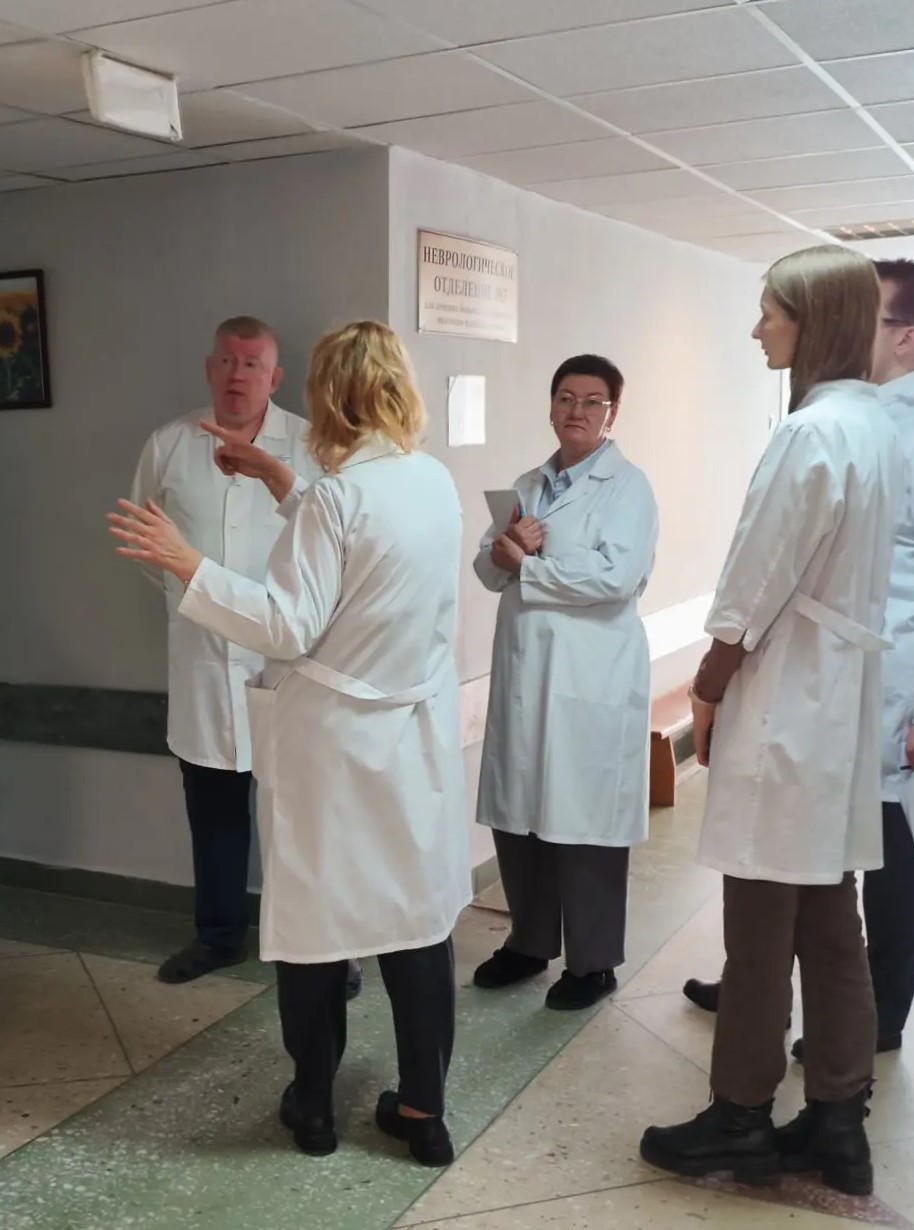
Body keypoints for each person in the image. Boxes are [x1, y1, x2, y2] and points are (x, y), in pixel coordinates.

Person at [109, 320, 469, 1166]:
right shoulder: (430, 480)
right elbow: (362, 549)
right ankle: (424, 1113)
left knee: (312, 927)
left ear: (331, 396)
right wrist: (281, 480)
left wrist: (189, 564)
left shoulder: (338, 497)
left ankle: (313, 1107)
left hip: (333, 746)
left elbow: (287, 623)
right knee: (416, 922)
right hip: (411, 737)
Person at [680, 259, 914, 1062]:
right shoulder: (864, 420)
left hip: (880, 685)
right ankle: (783, 1001)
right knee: (817, 865)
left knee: (883, 856)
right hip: (832, 674)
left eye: (871, 313)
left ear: (907, 336)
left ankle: (874, 1017)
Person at [640, 246, 906, 1196]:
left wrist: (709, 686)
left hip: (790, 701)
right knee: (832, 922)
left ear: (813, 321)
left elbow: (753, 584)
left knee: (759, 926)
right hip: (833, 708)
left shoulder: (811, 432)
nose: (758, 329)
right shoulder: (873, 426)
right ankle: (838, 1123)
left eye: (771, 312)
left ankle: (741, 1116)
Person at [130, 317, 360, 999]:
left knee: (304, 818)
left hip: (290, 665)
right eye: (227, 361)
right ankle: (218, 935)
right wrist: (190, 599)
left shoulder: (311, 448)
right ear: (210, 368)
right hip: (202, 662)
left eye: (252, 363)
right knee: (214, 811)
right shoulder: (170, 445)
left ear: (275, 377)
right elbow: (148, 547)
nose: (238, 374)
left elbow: (338, 549)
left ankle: (328, 950)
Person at [471, 354, 659, 1011]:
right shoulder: (529, 483)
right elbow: (488, 568)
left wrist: (529, 565)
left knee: (584, 821)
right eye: (566, 398)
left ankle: (593, 961)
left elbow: (616, 579)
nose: (576, 411)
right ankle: (529, 942)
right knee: (518, 813)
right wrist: (506, 552)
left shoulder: (628, 488)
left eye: (592, 401)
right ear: (551, 407)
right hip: (526, 673)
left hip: (589, 680)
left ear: (612, 414)